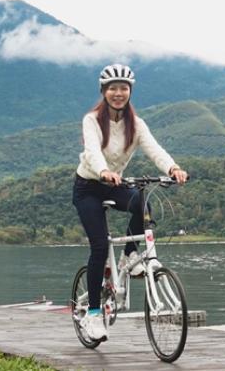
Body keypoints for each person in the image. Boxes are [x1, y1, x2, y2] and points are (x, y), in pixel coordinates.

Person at [72, 63, 188, 341]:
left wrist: (172, 168)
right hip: (89, 187)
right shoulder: (92, 120)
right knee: (99, 247)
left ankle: (130, 255)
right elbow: (91, 151)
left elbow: (154, 148)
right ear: (104, 91)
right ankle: (94, 315)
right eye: (112, 88)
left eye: (123, 88)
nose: (118, 93)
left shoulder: (136, 125)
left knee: (141, 203)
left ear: (130, 92)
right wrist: (103, 171)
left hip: (116, 184)